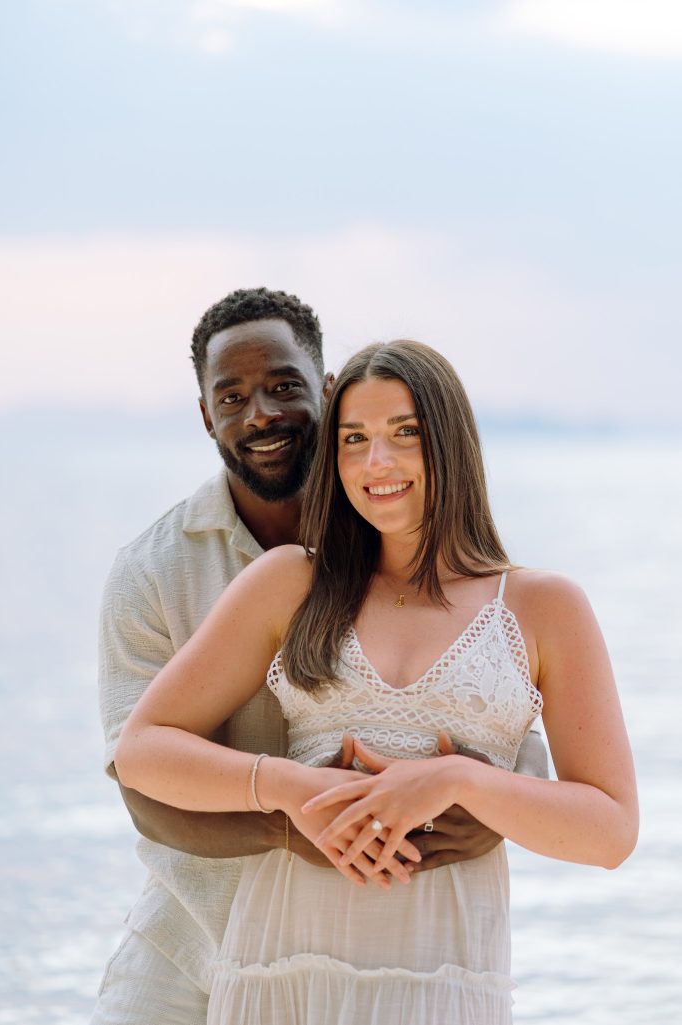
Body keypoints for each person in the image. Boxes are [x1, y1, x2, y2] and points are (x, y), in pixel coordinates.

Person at [115, 339, 638, 1024]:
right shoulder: (288, 582)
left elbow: (610, 830)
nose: (377, 463)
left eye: (405, 434)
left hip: (447, 981)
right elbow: (142, 748)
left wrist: (461, 782)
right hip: (280, 974)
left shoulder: (544, 606)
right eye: (354, 439)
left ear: (451, 443)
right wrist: (289, 788)